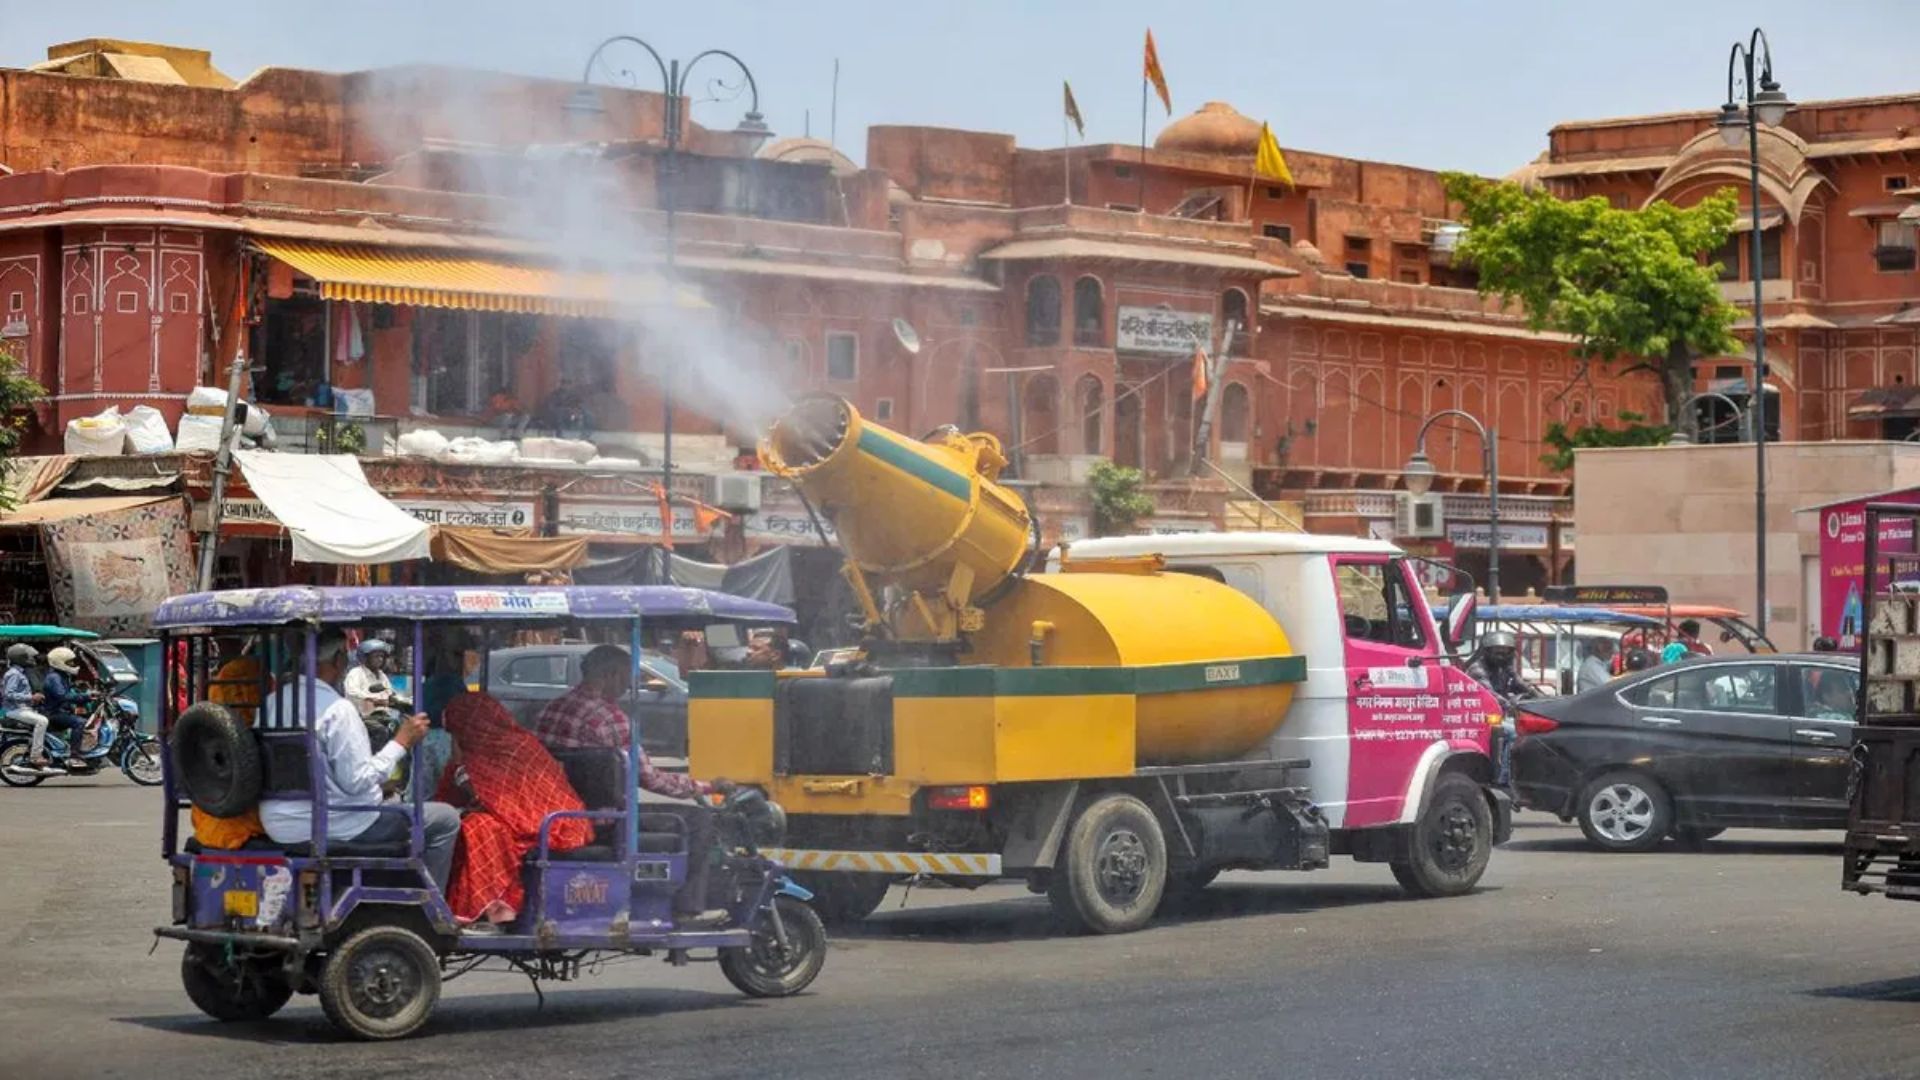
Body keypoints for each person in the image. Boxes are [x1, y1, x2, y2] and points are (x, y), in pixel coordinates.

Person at [532, 643, 728, 925]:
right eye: (626, 678)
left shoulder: (551, 709)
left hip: (560, 816)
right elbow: (651, 778)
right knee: (699, 820)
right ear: (611, 675)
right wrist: (706, 787)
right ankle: (687, 908)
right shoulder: (610, 719)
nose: (627, 686)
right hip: (604, 822)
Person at [259, 632, 460, 892]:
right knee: (446, 818)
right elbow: (357, 781)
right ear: (339, 659)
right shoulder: (337, 709)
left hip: (278, 825)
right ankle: (429, 901)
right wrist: (401, 742)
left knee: (395, 800)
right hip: (336, 826)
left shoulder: (271, 704)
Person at [434, 693, 595, 931]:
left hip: (551, 824)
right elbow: (448, 799)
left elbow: (502, 803)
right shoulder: (475, 753)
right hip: (516, 821)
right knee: (475, 823)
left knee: (480, 826)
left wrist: (462, 772)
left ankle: (494, 907)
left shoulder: (518, 745)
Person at [2, 643, 54, 771]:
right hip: (14, 710)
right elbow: (9, 694)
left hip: (23, 709)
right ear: (21, 658)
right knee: (42, 721)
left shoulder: (22, 672)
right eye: (29, 656)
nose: (32, 659)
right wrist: (31, 697)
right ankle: (35, 756)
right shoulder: (14, 674)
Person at [41, 647, 95, 767]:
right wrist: (85, 697)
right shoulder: (54, 677)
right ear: (59, 662)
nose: (72, 665)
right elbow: (62, 696)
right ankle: (74, 756)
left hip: (60, 710)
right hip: (53, 713)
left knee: (87, 717)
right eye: (69, 662)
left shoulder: (62, 675)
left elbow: (70, 692)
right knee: (80, 722)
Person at [1466, 631, 1537, 701]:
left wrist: (1536, 695)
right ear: (1487, 652)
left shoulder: (1502, 668)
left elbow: (1517, 685)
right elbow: (1490, 695)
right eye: (1497, 653)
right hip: (1483, 707)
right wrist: (1510, 706)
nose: (1501, 657)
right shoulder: (1478, 669)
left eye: (1505, 653)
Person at [343, 638, 397, 719]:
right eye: (376, 656)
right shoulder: (356, 673)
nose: (380, 659)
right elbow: (352, 693)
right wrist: (374, 700)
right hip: (362, 719)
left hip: (383, 717)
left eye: (382, 656)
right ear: (366, 657)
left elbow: (389, 692)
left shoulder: (382, 675)